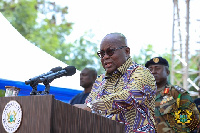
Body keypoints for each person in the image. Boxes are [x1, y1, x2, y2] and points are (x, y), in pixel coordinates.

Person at [74, 32, 157, 133]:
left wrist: (92, 107)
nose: (105, 57)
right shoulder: (100, 80)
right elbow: (87, 108)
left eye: (110, 52)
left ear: (127, 51)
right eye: (102, 54)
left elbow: (130, 96)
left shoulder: (141, 72)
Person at [145, 56, 200, 133]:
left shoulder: (178, 94)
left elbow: (193, 123)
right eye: (150, 69)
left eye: (157, 68)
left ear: (167, 72)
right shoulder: (141, 95)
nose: (153, 71)